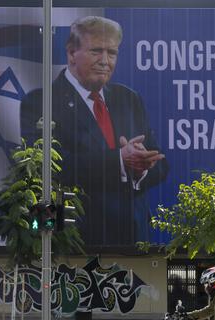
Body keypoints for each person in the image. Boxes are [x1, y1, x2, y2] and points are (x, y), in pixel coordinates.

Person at [20, 15, 169, 246]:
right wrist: (120, 160)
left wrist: (141, 168)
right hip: (74, 243)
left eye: (112, 53)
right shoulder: (41, 102)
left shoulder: (128, 99)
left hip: (133, 240)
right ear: (71, 54)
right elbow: (48, 169)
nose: (105, 61)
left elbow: (160, 163)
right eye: (96, 51)